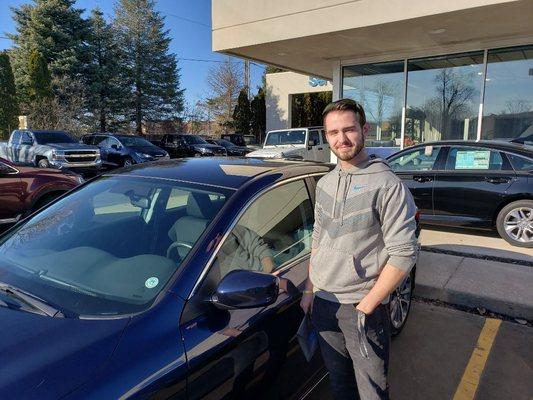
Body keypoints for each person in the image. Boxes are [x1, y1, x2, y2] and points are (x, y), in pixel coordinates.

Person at [300, 99, 419, 400]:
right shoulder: (325, 183)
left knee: (372, 391)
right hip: (324, 304)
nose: (341, 139)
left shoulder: (387, 185)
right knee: (340, 386)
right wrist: (310, 289)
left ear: (364, 129)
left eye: (349, 129)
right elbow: (319, 237)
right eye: (333, 132)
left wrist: (367, 305)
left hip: (361, 307)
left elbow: (404, 252)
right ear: (325, 136)